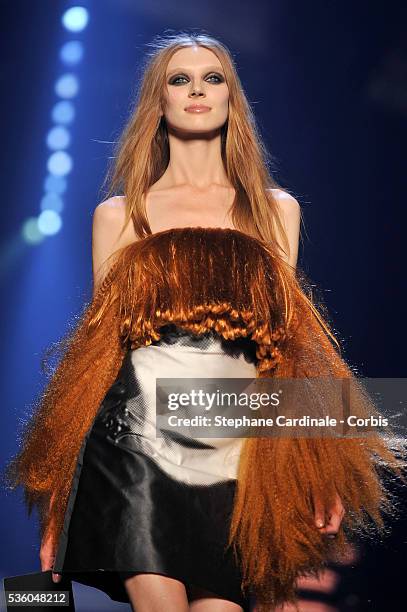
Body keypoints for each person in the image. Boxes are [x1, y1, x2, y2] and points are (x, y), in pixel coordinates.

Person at [4, 33, 405, 612]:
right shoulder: (119, 214)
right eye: (180, 79)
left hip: (235, 445)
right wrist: (59, 498)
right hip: (134, 442)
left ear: (231, 100)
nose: (197, 89)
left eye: (213, 78)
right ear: (158, 101)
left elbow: (288, 347)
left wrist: (315, 460)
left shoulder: (275, 210)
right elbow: (93, 361)